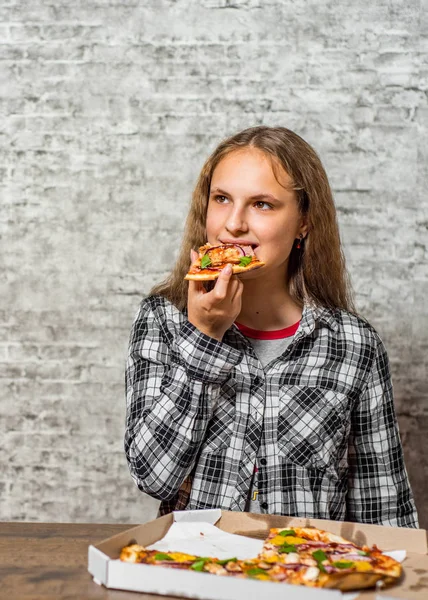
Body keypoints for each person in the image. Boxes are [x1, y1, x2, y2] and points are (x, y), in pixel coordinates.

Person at [125, 126, 418, 527]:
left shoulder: (353, 344)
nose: (234, 224)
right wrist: (204, 336)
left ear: (304, 222)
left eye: (262, 204)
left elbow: (383, 509)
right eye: (222, 199)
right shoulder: (163, 319)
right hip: (199, 574)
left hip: (307, 580)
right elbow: (154, 476)